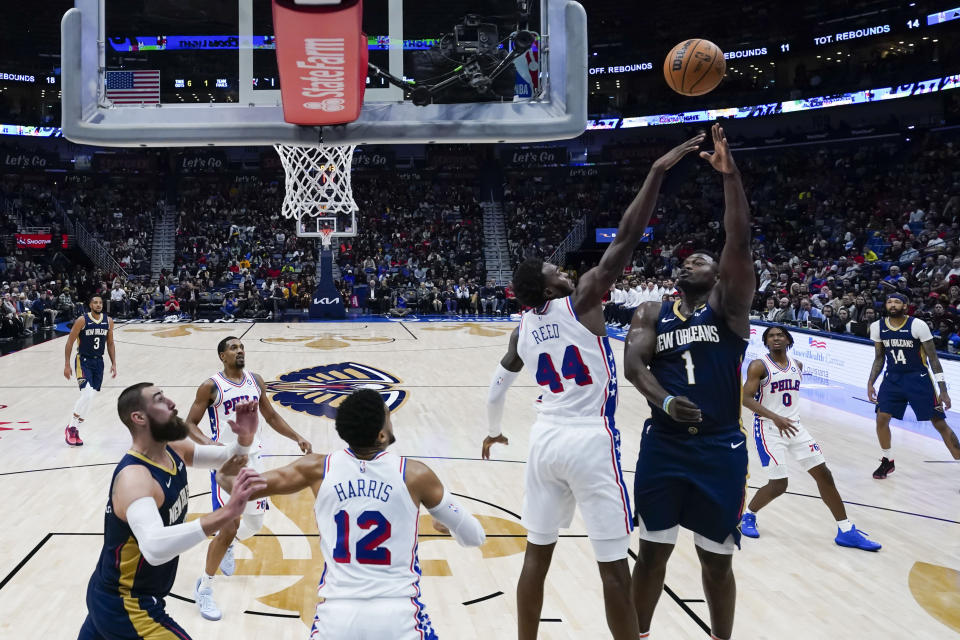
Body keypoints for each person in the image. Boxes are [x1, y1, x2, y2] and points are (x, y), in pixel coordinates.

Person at [484, 132, 706, 640]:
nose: (564, 271)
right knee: (611, 565)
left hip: (543, 442)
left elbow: (497, 388)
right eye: (555, 271)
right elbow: (625, 238)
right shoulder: (582, 299)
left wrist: (494, 431)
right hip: (589, 439)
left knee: (536, 559)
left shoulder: (521, 329)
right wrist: (655, 173)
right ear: (548, 288)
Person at [216, 389, 486, 639]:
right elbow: (475, 536)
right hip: (399, 617)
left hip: (336, 618)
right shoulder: (415, 474)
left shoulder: (316, 468)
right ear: (381, 434)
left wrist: (242, 446)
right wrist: (449, 528)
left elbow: (234, 485)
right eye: (388, 417)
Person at [622, 124, 752, 640]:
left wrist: (730, 175)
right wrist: (666, 399)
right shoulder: (651, 311)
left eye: (703, 258)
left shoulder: (729, 308)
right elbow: (636, 367)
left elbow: (738, 238)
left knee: (716, 562)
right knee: (651, 554)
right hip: (665, 446)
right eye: (687, 258)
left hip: (721, 447)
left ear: (720, 274)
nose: (692, 259)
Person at [78, 384, 266, 640]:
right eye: (160, 399)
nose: (172, 403)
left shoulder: (172, 450)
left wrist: (245, 438)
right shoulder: (135, 478)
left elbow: (226, 457)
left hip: (113, 593)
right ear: (139, 417)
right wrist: (226, 512)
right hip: (126, 603)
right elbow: (154, 547)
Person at [183, 336, 312, 621]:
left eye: (241, 347)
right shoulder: (211, 386)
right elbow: (188, 422)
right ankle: (205, 587)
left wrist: (297, 437)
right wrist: (208, 443)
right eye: (233, 348)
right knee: (230, 525)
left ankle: (228, 544)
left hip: (253, 460)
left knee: (254, 523)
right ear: (222, 356)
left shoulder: (255, 380)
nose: (240, 351)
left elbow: (271, 416)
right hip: (225, 463)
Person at [739, 326, 880, 551]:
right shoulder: (759, 366)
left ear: (788, 339)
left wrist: (785, 418)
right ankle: (749, 515)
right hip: (768, 428)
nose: (776, 338)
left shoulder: (798, 365)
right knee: (779, 484)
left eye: (780, 335)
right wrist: (775, 417)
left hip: (795, 427)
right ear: (766, 343)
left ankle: (845, 530)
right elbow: (746, 399)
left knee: (824, 475)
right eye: (771, 336)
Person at [867, 293, 960, 478]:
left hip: (918, 378)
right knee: (881, 418)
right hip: (892, 378)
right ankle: (887, 461)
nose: (892, 305)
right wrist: (870, 382)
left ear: (905, 305)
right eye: (889, 302)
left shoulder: (918, 325)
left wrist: (943, 390)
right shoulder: (877, 327)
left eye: (897, 302)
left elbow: (933, 359)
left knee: (939, 423)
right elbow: (879, 358)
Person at [63, 295, 117, 446]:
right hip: (83, 361)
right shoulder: (82, 320)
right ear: (90, 305)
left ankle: (76, 429)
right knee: (86, 394)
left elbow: (110, 343)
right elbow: (69, 342)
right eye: (95, 302)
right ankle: (71, 427)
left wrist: (114, 363)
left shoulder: (108, 321)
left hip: (98, 362)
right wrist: (67, 364)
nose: (98, 305)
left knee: (90, 398)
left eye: (100, 302)